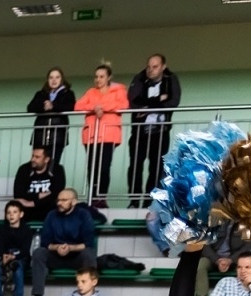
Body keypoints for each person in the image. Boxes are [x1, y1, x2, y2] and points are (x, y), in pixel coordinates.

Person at [126, 54, 181, 207]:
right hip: (139, 131)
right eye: (149, 66)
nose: (151, 70)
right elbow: (133, 102)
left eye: (155, 67)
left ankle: (150, 201)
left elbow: (173, 101)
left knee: (156, 167)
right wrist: (157, 101)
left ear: (163, 67)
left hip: (160, 131)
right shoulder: (139, 79)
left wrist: (147, 107)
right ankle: (134, 201)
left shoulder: (171, 79)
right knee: (135, 166)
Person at [30, 188, 97, 296]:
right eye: (58, 200)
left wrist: (70, 248)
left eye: (64, 200)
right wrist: (57, 248)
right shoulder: (52, 215)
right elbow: (45, 243)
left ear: (74, 201)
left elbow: (88, 243)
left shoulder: (83, 214)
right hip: (56, 256)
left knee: (89, 254)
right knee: (38, 253)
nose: (59, 203)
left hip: (77, 257)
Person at [74, 65, 127, 208]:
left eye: (101, 76)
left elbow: (123, 104)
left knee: (103, 168)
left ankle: (101, 197)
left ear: (109, 77)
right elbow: (78, 105)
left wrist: (102, 107)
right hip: (91, 135)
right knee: (92, 168)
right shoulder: (91, 92)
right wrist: (94, 108)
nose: (98, 79)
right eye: (96, 76)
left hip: (109, 135)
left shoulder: (118, 90)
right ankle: (93, 198)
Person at [26, 67, 74, 166]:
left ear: (62, 79)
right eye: (51, 77)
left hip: (58, 136)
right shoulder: (41, 94)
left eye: (57, 77)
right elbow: (30, 107)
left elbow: (70, 107)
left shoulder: (68, 93)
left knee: (53, 165)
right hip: (40, 136)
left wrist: (53, 106)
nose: (54, 80)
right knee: (37, 164)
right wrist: (44, 106)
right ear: (47, 80)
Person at [0, 200, 34, 296]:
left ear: (21, 214)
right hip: (5, 255)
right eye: (9, 212)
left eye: (14, 212)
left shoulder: (26, 230)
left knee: (18, 267)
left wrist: (14, 257)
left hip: (21, 257)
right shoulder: (2, 229)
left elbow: (25, 251)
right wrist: (3, 256)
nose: (11, 215)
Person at [13, 146, 66, 223]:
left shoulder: (57, 169)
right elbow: (18, 195)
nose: (32, 159)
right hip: (28, 212)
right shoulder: (24, 169)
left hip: (49, 210)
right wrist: (39, 195)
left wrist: (33, 203)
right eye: (32, 156)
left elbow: (57, 194)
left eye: (37, 157)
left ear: (46, 159)